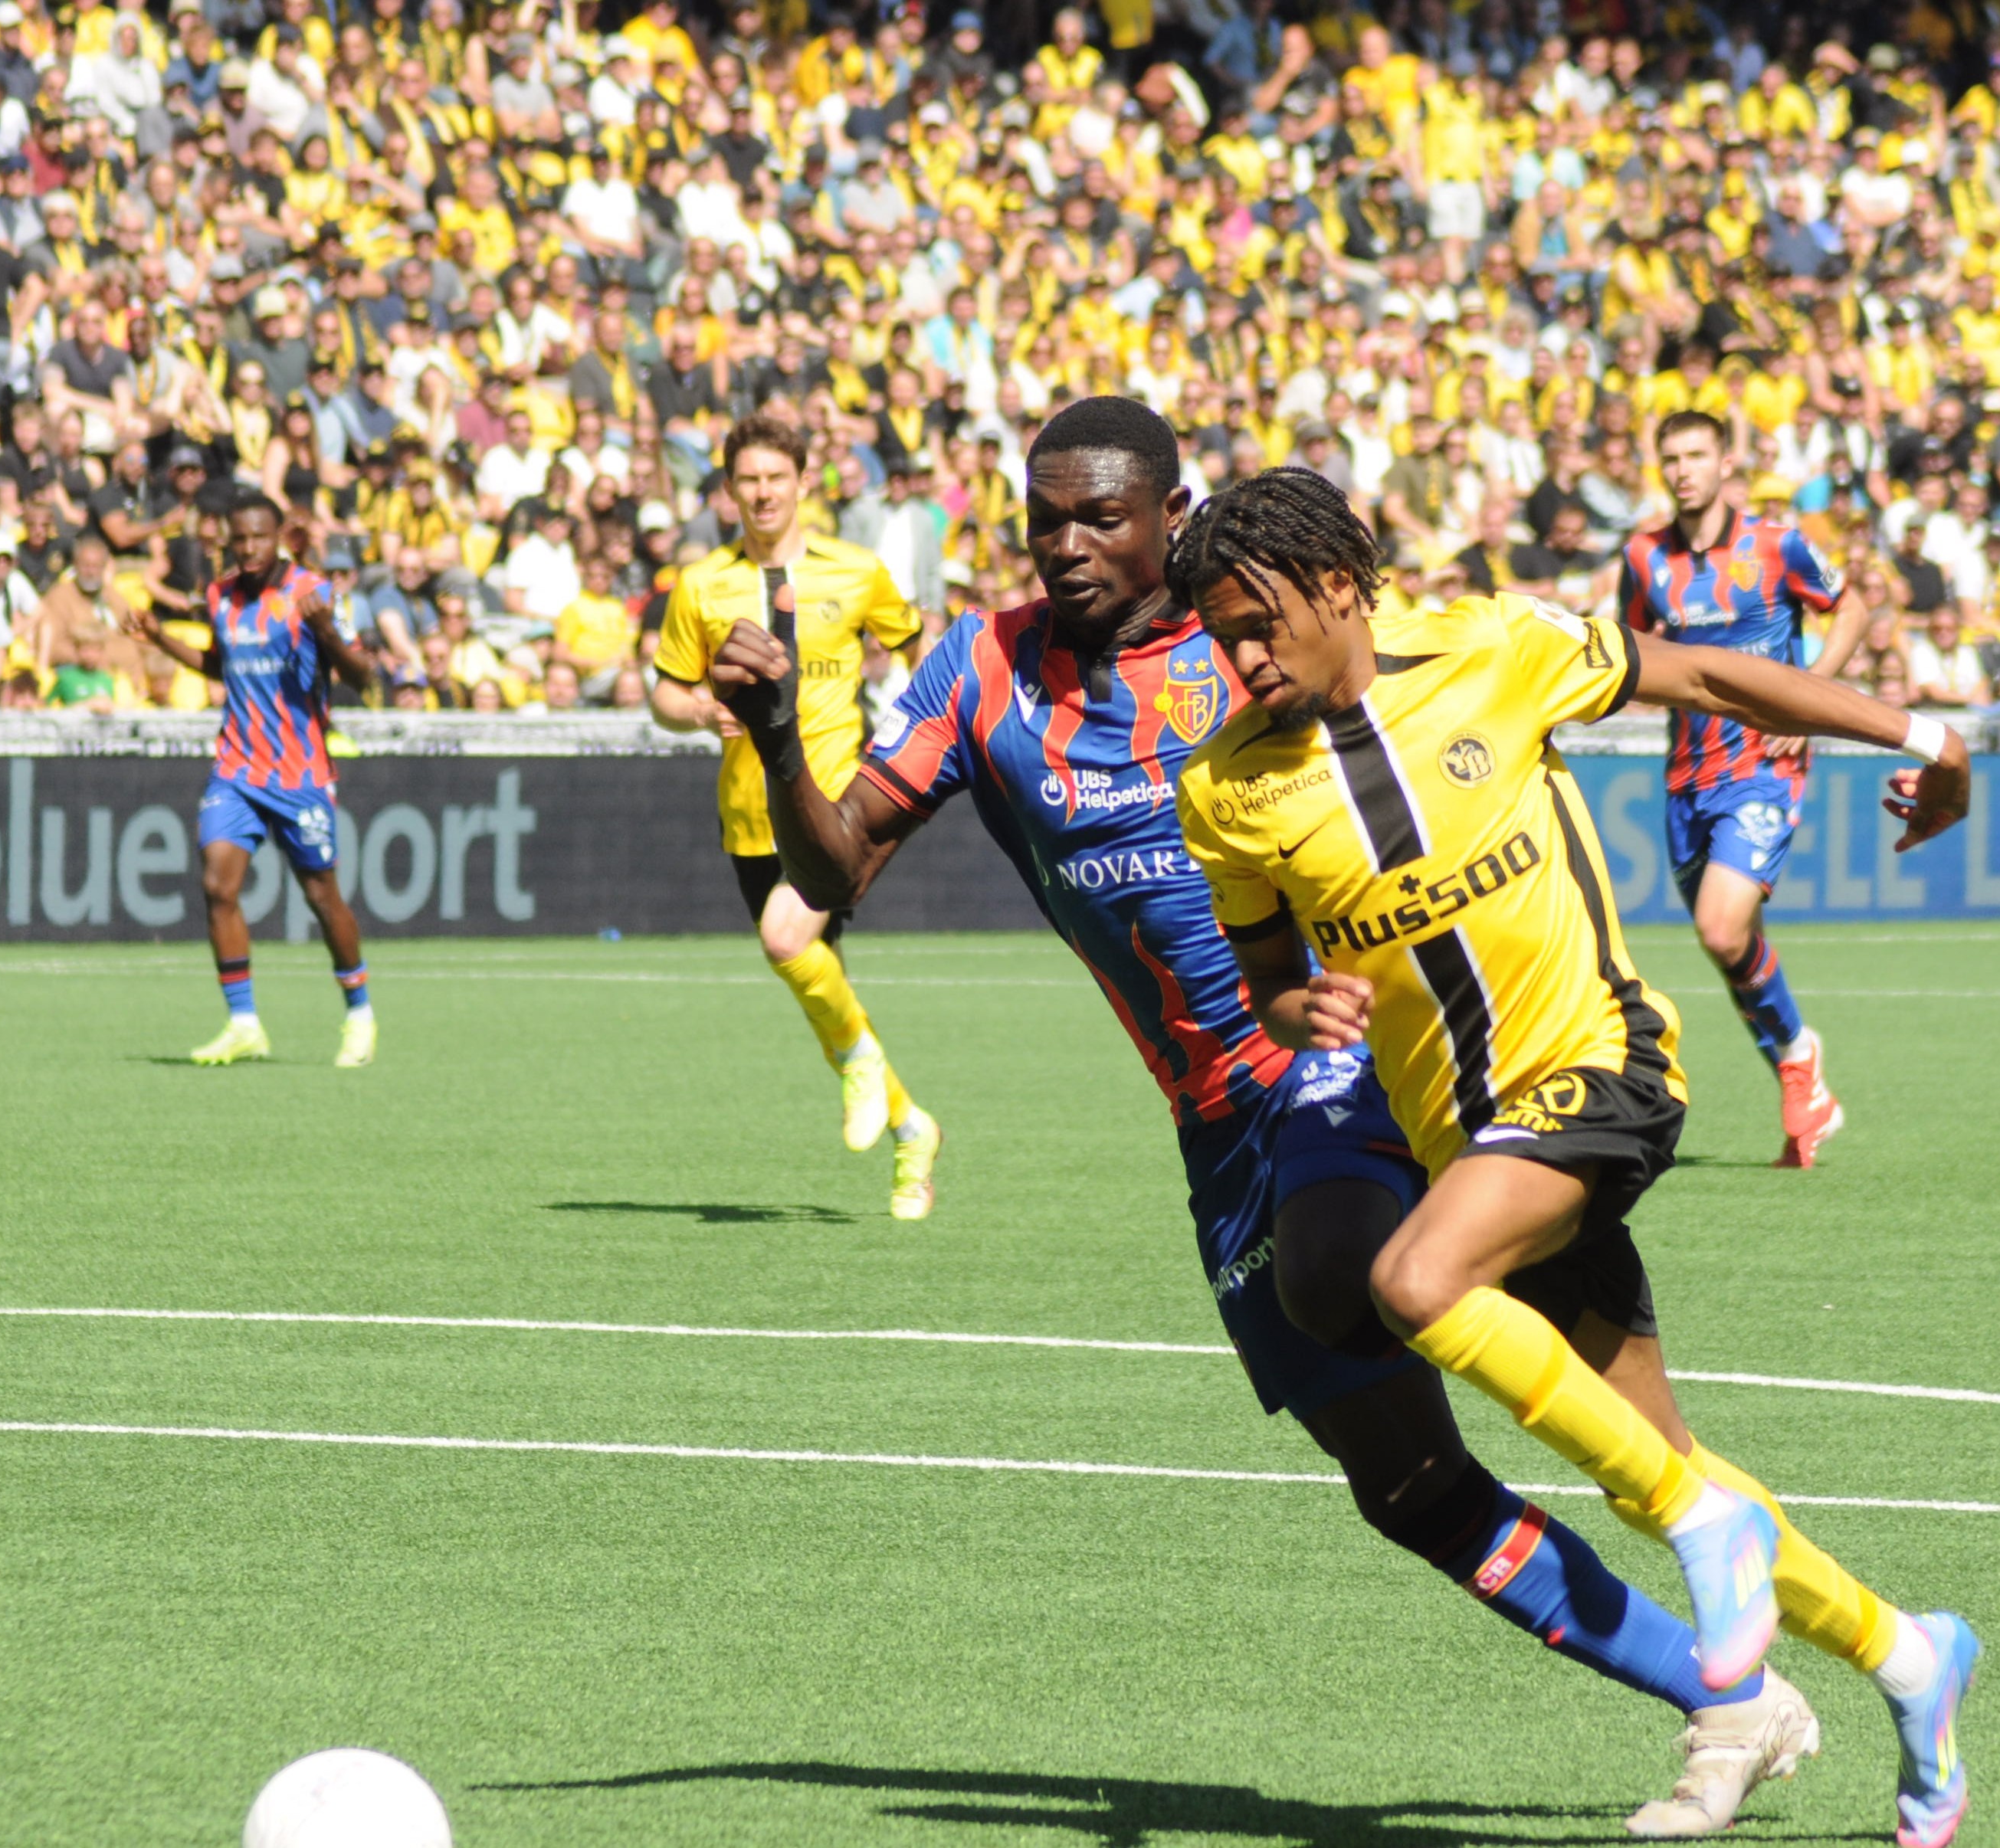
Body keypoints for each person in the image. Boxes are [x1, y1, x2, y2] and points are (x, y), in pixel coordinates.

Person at [711, 400, 1820, 1838]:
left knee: (1579, 1397)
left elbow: (1450, 693)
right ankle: (1739, 1696)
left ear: (1169, 517)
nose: (1064, 545)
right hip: (1220, 1130)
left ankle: (1869, 1645)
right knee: (1405, 1480)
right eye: (1043, 519)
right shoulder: (980, 670)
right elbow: (833, 868)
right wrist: (775, 737)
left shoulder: (1259, 627)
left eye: (1099, 517)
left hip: (1376, 1076)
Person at [1169, 467, 1983, 1848]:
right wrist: (1301, 1009)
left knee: (1414, 1282)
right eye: (1220, 638)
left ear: (1337, 587)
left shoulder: (1495, 646)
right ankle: (1912, 1657)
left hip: (1605, 1070)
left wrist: (1926, 733)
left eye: (1258, 625)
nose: (1240, 660)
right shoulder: (1228, 789)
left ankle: (1708, 1533)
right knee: (1648, 1456)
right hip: (1471, 1147)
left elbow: (1708, 679)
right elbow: (1266, 982)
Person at [651, 412, 940, 1219]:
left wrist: (917, 735)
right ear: (728, 489)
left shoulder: (857, 571)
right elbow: (664, 692)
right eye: (748, 479)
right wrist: (699, 711)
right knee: (822, 995)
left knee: (785, 940)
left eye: (777, 476)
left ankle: (872, 1082)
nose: (763, 492)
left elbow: (920, 647)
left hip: (835, 803)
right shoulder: (700, 584)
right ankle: (912, 1130)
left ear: (805, 482)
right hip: (749, 818)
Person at [1618, 411, 1876, 1166]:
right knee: (1734, 950)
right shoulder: (1643, 556)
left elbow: (1852, 609)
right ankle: (1804, 1088)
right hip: (1685, 777)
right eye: (1672, 457)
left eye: (1697, 455)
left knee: (1721, 930)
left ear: (1726, 462)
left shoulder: (1777, 543)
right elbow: (1634, 647)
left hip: (1764, 764)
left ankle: (1797, 1053)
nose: (1683, 470)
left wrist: (1808, 695)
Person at [129, 499, 381, 1070]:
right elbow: (219, 666)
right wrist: (160, 638)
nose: (247, 549)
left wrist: (325, 631)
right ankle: (243, 1024)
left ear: (280, 537)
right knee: (218, 885)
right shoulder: (220, 596)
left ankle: (359, 1013)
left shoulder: (313, 593)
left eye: (259, 538)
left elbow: (364, 676)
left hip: (300, 772)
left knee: (321, 896)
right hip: (237, 767)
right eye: (238, 539)